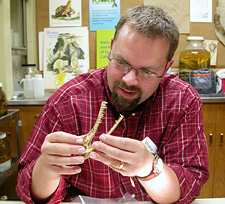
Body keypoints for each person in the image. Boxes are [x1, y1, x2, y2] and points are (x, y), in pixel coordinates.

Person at [16, 5, 209, 204]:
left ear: (167, 67)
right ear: (111, 47)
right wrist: (47, 168)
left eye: (147, 71)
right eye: (121, 62)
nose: (129, 80)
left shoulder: (182, 101)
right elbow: (28, 191)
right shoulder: (68, 101)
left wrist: (150, 170)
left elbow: (189, 186)